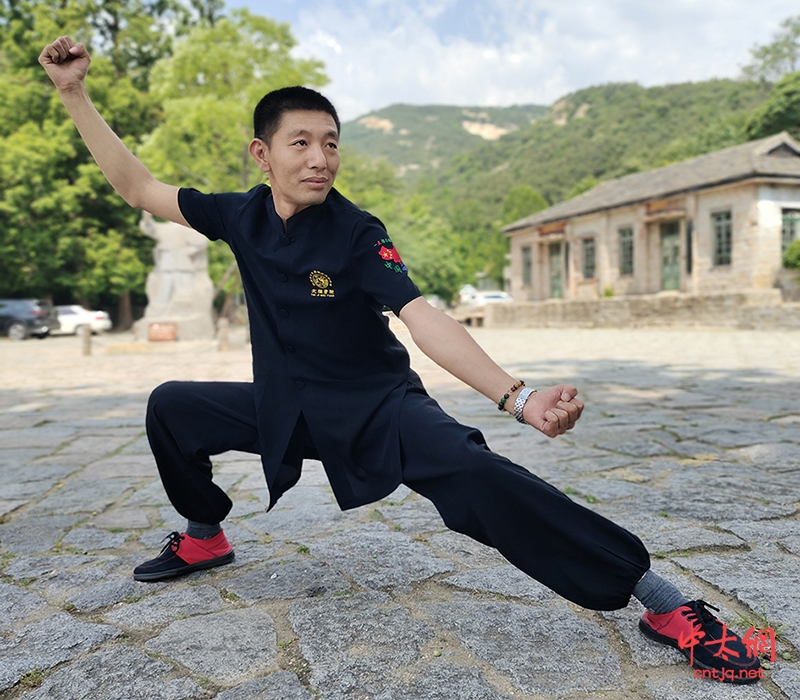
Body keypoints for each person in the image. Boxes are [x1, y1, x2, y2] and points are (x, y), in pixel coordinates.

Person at [40, 36, 762, 684]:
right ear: (262, 154)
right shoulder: (239, 214)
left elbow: (423, 318)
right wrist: (74, 93)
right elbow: (137, 187)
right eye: (301, 142)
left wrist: (517, 396)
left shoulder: (357, 232)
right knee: (173, 405)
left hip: (379, 407)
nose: (320, 158)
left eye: (331, 143)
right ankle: (205, 536)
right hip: (289, 407)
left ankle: (662, 602)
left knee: (478, 474)